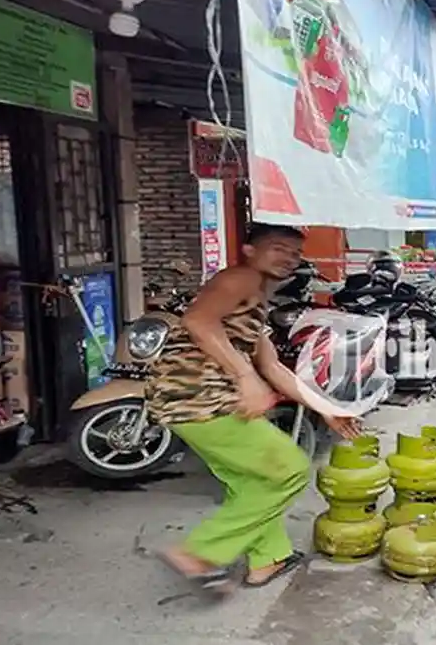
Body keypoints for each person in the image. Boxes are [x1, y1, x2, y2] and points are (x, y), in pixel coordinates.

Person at [149, 224, 362, 594]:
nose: (289, 258)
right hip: (201, 397)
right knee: (290, 469)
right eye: (278, 248)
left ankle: (268, 558)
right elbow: (198, 321)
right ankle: (200, 554)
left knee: (251, 482)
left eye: (295, 253)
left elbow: (273, 367)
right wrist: (244, 376)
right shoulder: (240, 278)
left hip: (184, 401)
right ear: (249, 249)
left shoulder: (255, 299)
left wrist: (325, 408)